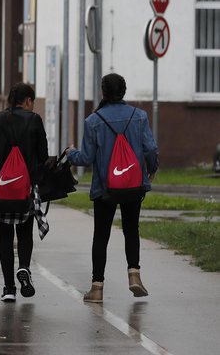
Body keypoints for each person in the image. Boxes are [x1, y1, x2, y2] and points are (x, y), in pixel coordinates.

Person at [66, 73, 159, 303]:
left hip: (104, 188)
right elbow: (150, 149)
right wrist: (152, 169)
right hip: (133, 185)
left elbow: (86, 157)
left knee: (101, 235)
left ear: (103, 92)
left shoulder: (93, 121)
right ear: (123, 91)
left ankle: (97, 289)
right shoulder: (139, 117)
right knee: (131, 229)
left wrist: (70, 154)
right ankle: (134, 275)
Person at [0, 82, 49, 302]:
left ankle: (9, 288)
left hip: (1, 190)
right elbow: (43, 155)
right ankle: (24, 268)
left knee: (6, 237)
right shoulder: (35, 120)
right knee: (24, 233)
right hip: (26, 188)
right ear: (28, 100)